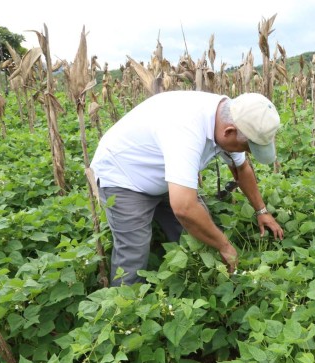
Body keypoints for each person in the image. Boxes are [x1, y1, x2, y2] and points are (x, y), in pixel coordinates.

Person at [90, 90, 284, 286]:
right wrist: (224, 245)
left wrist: (262, 211)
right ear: (229, 132)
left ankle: (192, 284)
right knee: (134, 251)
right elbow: (184, 207)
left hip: (165, 172)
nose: (244, 152)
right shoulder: (186, 129)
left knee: (195, 236)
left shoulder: (229, 117)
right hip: (124, 175)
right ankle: (123, 307)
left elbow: (241, 168)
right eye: (245, 147)